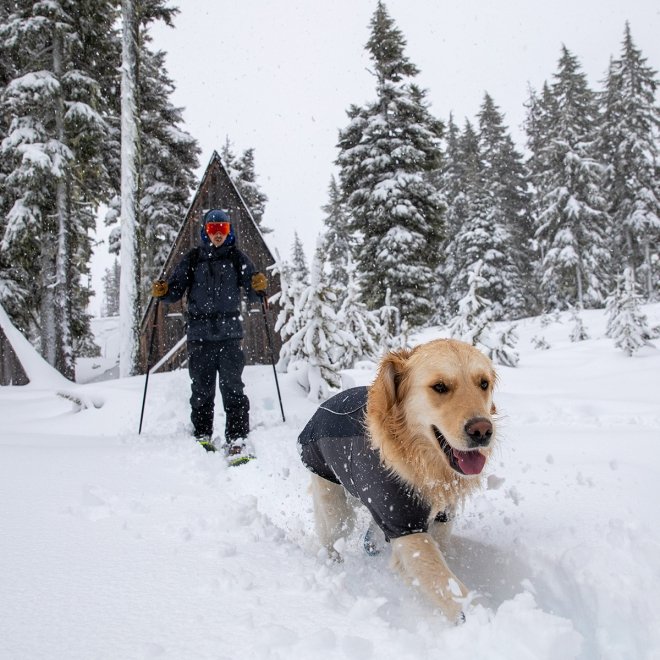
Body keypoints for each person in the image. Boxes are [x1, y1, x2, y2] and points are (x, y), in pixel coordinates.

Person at [151, 208, 268, 455]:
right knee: (202, 389)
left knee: (233, 388)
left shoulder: (237, 258)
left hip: (229, 334)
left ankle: (237, 438)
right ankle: (202, 434)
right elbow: (174, 290)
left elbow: (253, 290)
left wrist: (258, 287)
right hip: (200, 334)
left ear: (229, 231)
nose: (218, 235)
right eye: (213, 229)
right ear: (205, 231)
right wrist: (163, 292)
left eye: (222, 229)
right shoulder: (193, 259)